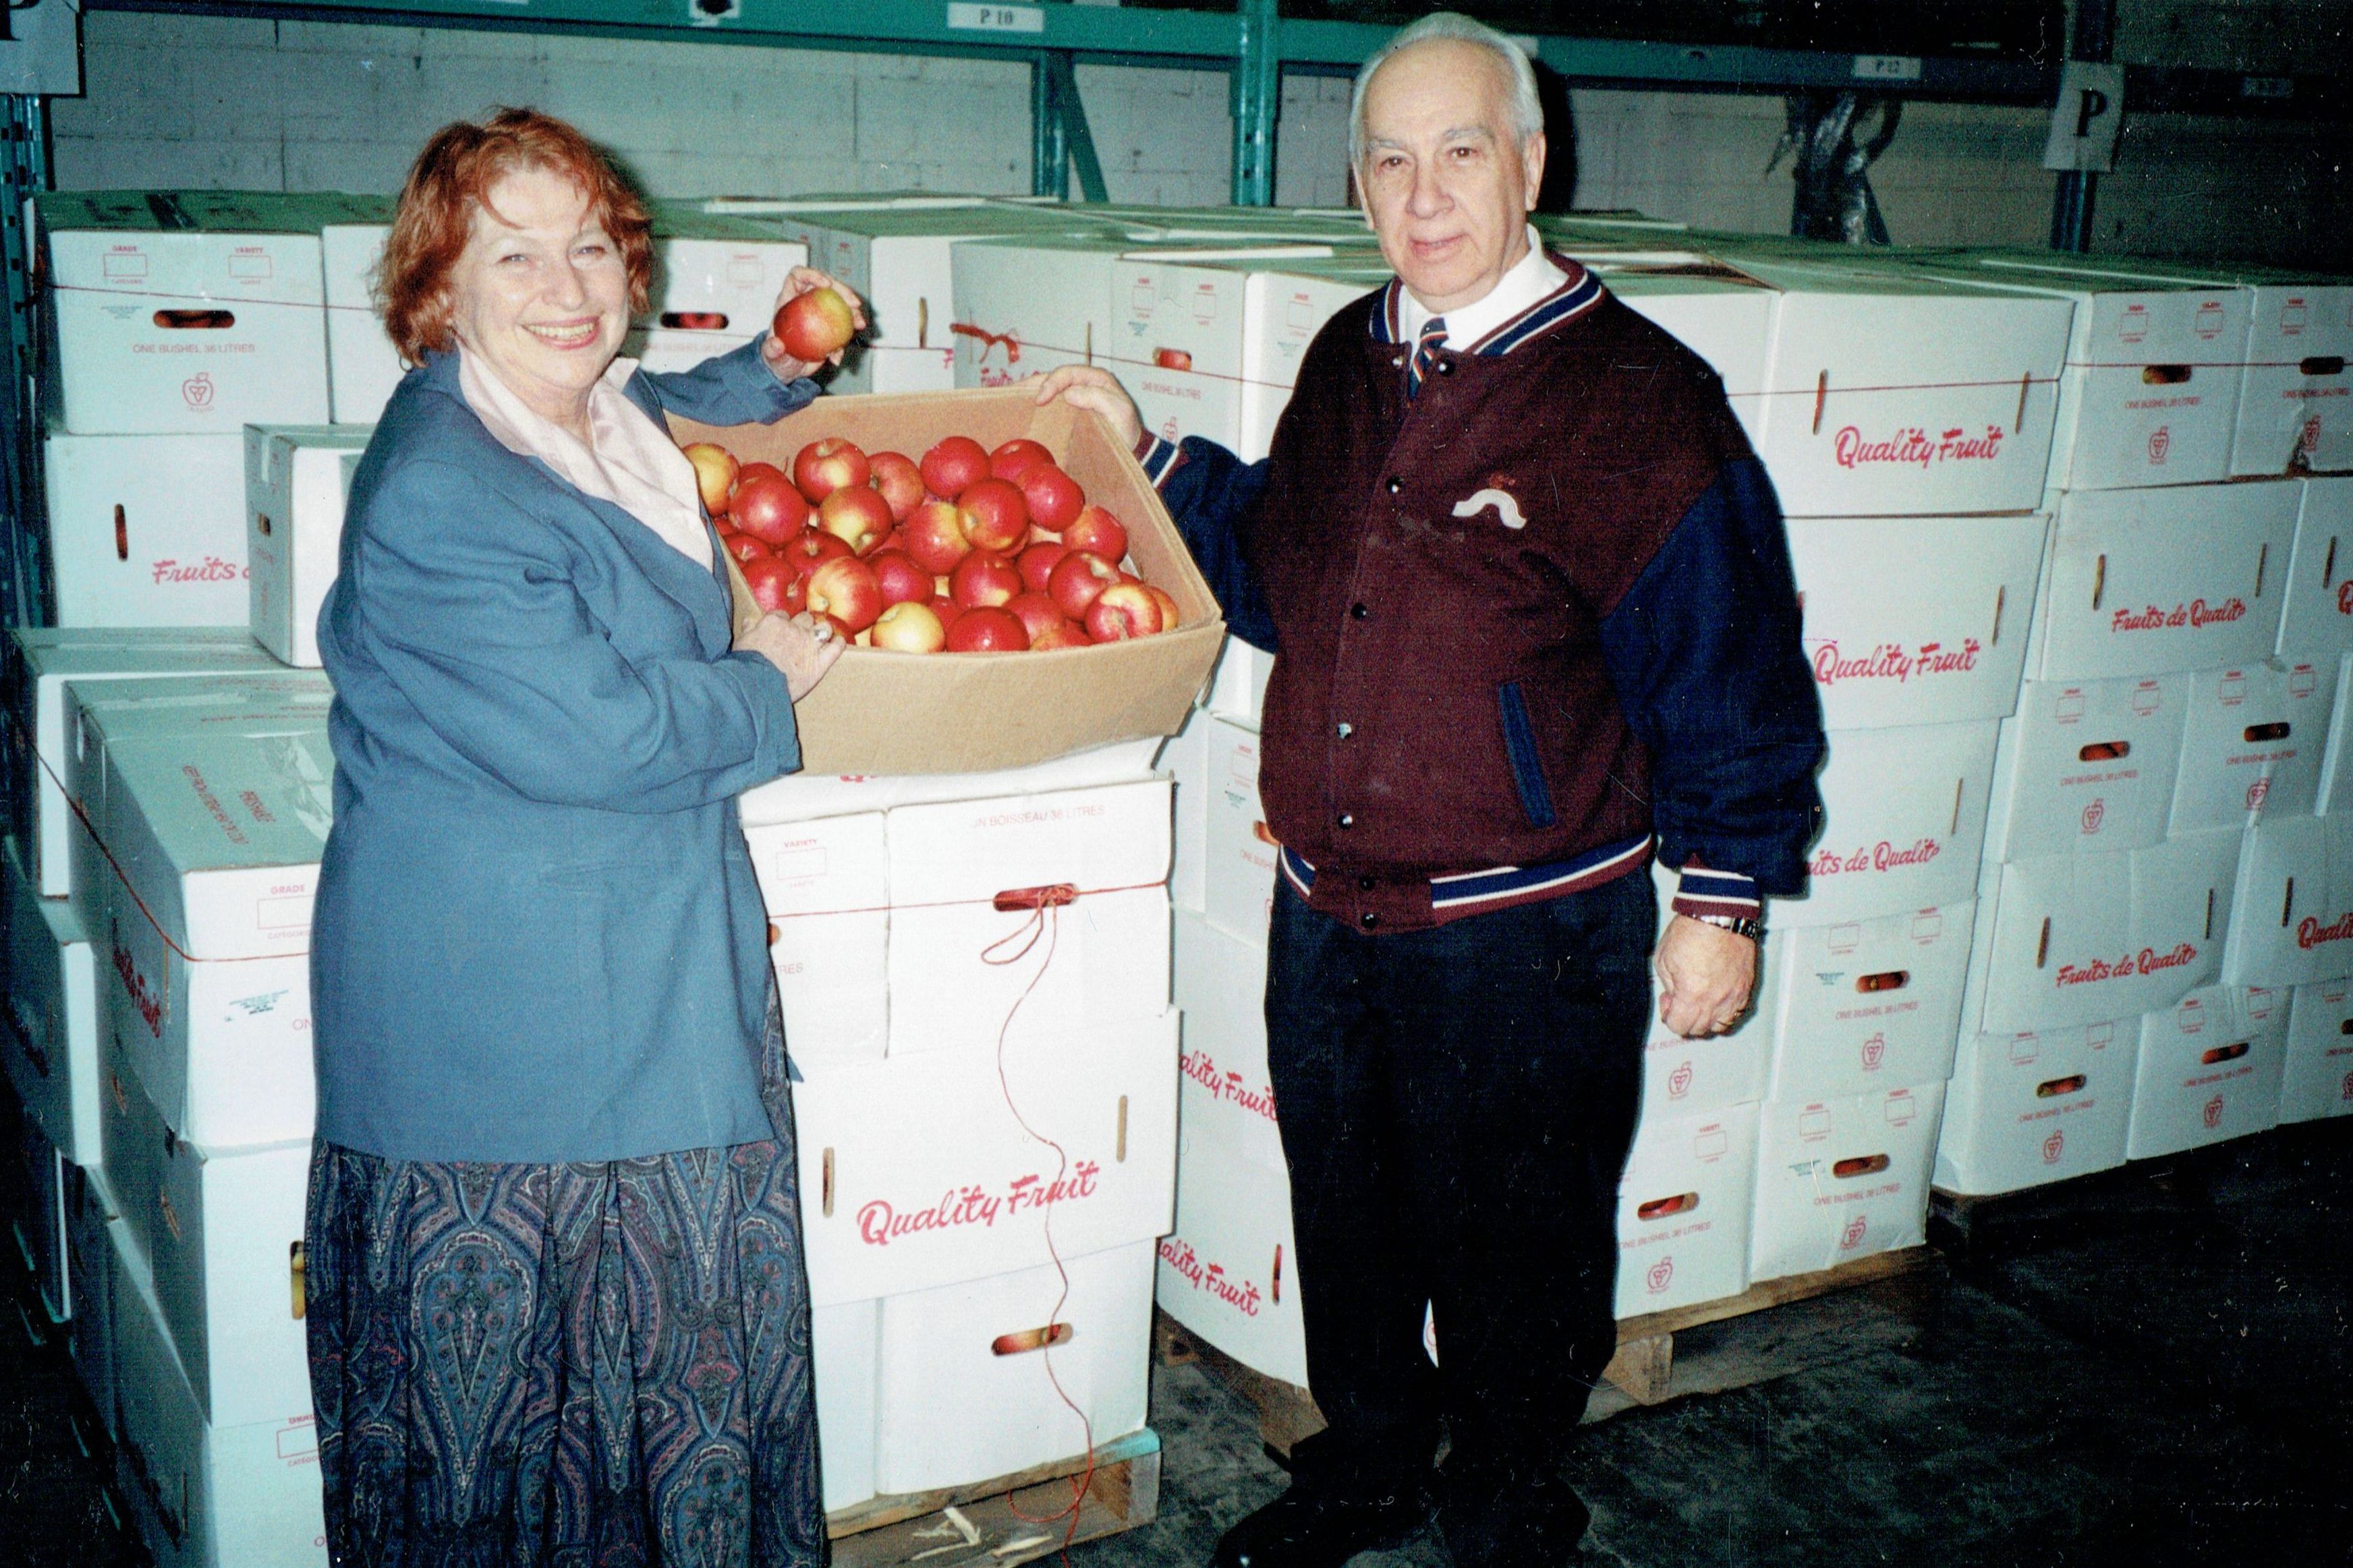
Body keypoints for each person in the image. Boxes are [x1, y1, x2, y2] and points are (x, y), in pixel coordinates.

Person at [1037, 14, 1824, 1567]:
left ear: (1533, 163)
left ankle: (1508, 1490)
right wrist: (1152, 459)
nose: (1423, 191)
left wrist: (1722, 895)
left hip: (1525, 929)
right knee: (1347, 1222)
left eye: (1461, 150)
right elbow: (1288, 572)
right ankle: (1372, 1463)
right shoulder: (1349, 354)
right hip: (1329, 912)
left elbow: (1730, 666)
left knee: (1519, 1254)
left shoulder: (1640, 400)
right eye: (1388, 159)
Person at [305, 108, 858, 1567]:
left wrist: (778, 368)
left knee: (620, 1437)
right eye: (515, 257)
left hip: (629, 985)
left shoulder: (573, 406)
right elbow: (600, 739)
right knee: (524, 1441)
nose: (567, 288)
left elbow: (658, 398)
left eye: (592, 248)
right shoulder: (442, 491)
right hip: (524, 1054)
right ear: (442, 286)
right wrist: (764, 680)